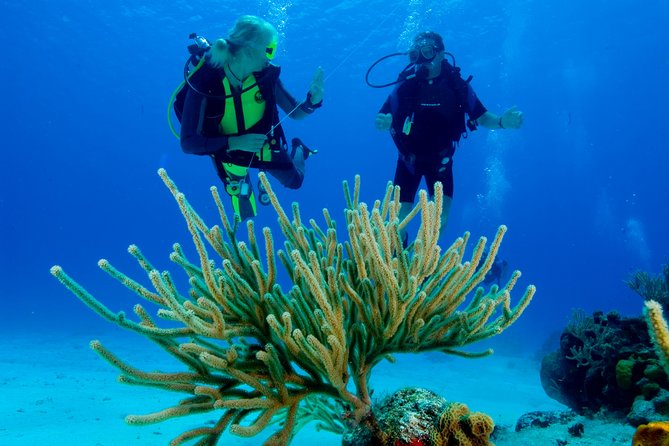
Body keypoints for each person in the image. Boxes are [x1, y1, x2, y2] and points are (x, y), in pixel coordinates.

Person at [374, 31, 523, 243]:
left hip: (440, 165)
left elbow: (482, 117)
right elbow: (383, 116)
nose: (421, 60)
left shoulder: (456, 84)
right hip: (408, 162)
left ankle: (422, 268)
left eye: (427, 52)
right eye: (415, 55)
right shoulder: (406, 84)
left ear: (441, 54)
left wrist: (501, 122)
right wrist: (383, 123)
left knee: (438, 222)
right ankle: (398, 261)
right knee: (396, 224)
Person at [178, 15, 324, 221]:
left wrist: (313, 101)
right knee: (245, 213)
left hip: (262, 144)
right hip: (228, 152)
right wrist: (236, 142)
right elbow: (188, 143)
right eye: (269, 49)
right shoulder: (205, 81)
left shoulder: (266, 76)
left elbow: (295, 113)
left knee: (295, 182)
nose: (270, 57)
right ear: (248, 51)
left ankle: (299, 149)